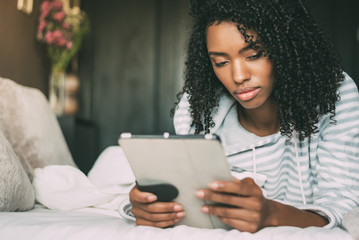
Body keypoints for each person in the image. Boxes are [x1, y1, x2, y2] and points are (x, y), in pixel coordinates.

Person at [129, 0, 359, 232]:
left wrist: (272, 214)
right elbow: (188, 201)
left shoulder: (332, 95)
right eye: (221, 62)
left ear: (287, 47)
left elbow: (346, 207)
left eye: (254, 54)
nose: (238, 76)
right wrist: (147, 207)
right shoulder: (198, 110)